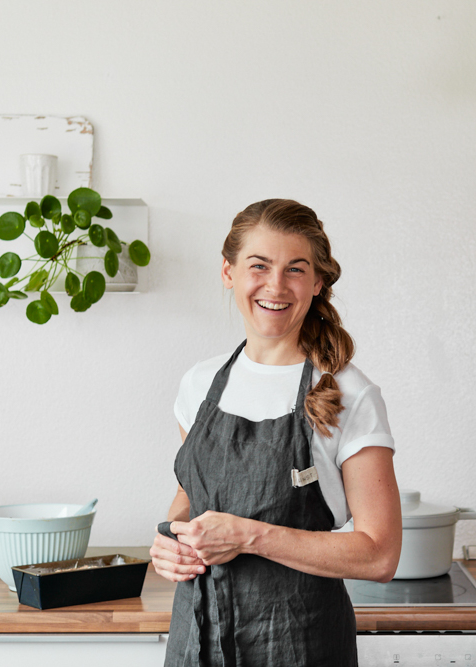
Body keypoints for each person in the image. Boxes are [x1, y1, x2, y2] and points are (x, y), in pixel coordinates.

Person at [151, 199, 403, 666]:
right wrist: (171, 543)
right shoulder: (199, 384)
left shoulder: (348, 393)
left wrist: (249, 536)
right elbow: (193, 491)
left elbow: (379, 555)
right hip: (198, 637)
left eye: (295, 269)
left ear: (317, 282)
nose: (275, 285)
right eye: (259, 266)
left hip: (299, 643)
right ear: (228, 272)